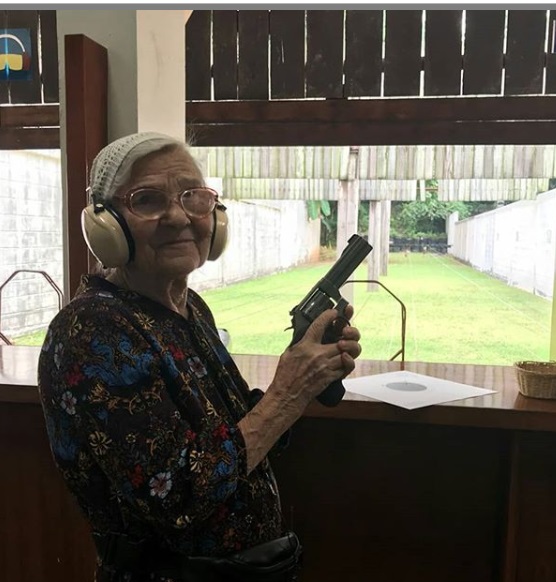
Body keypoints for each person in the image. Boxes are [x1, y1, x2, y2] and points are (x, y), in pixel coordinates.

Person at [38, 132, 362, 582]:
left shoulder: (189, 308)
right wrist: (286, 395)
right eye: (147, 200)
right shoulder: (92, 330)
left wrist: (302, 369)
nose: (178, 217)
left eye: (193, 196)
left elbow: (237, 438)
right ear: (105, 224)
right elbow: (178, 497)